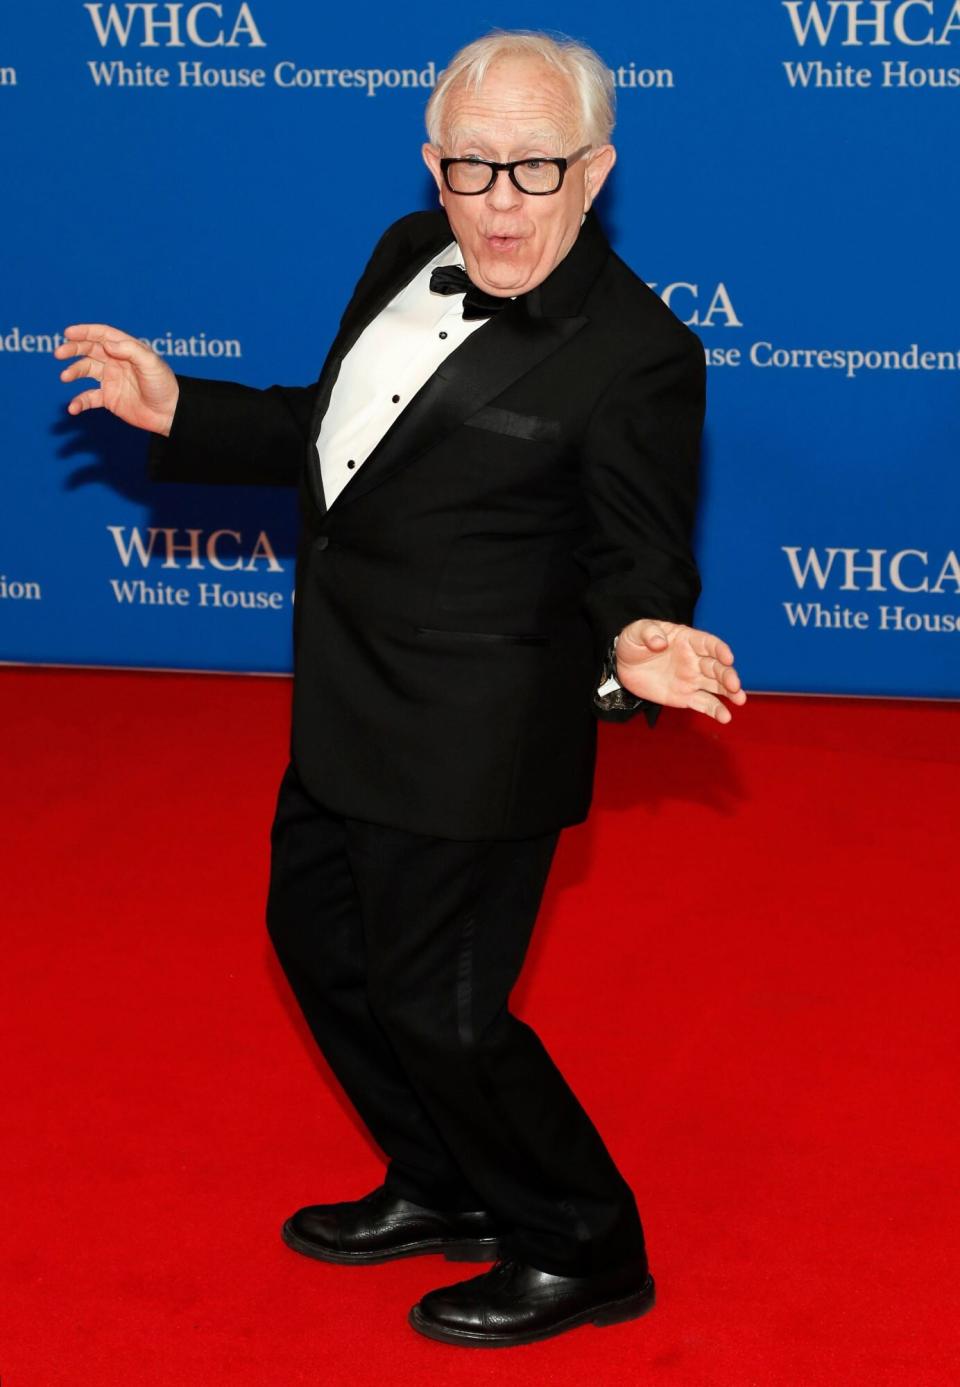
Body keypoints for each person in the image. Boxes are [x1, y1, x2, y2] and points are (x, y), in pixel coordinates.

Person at [55, 30, 745, 1349]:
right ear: (434, 165)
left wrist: (643, 636)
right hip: (347, 697)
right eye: (472, 167)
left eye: (534, 171)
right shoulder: (397, 251)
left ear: (594, 172)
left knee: (447, 1011)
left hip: (478, 737)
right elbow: (346, 434)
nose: (497, 203)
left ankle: (582, 1243)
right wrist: (180, 412)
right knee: (318, 946)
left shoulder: (636, 353)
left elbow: (640, 549)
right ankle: (445, 1183)